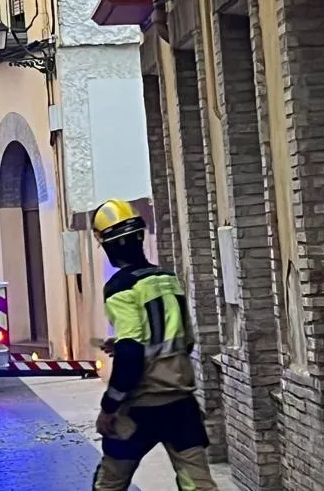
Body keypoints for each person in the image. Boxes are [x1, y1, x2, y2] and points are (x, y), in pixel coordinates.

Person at [89, 198, 219, 491]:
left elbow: (132, 353)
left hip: (140, 410)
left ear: (107, 245)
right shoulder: (166, 279)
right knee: (199, 485)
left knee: (110, 484)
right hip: (181, 407)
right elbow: (183, 341)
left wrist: (109, 407)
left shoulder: (121, 288)